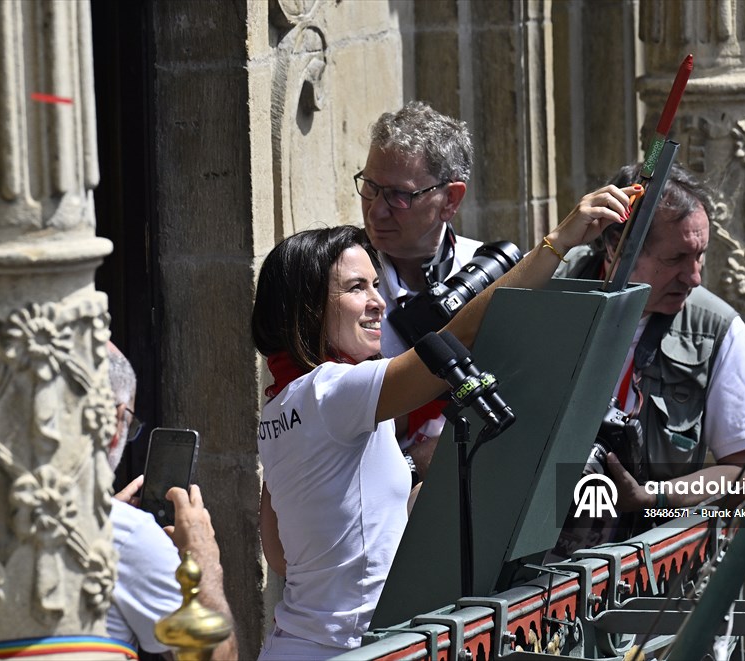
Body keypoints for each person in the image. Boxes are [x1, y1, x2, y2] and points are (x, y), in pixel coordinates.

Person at [253, 181, 639, 660]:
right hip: (347, 649)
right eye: (356, 288)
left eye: (376, 284)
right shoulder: (333, 390)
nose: (378, 302)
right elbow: (459, 337)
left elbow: (281, 554)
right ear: (308, 308)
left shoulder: (280, 404)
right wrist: (557, 243)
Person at [557, 163, 745, 525]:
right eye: (676, 259)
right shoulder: (551, 288)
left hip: (645, 548)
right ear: (616, 246)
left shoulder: (717, 329)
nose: (694, 277)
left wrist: (652, 498)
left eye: (700, 255)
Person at [355, 101, 487, 479]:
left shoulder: (492, 273)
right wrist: (418, 464)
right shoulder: (334, 285)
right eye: (370, 187)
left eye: (399, 195)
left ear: (451, 199)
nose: (375, 211)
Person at [106, 343, 237, 660]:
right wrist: (202, 559)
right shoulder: (128, 535)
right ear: (114, 424)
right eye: (129, 423)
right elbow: (215, 657)